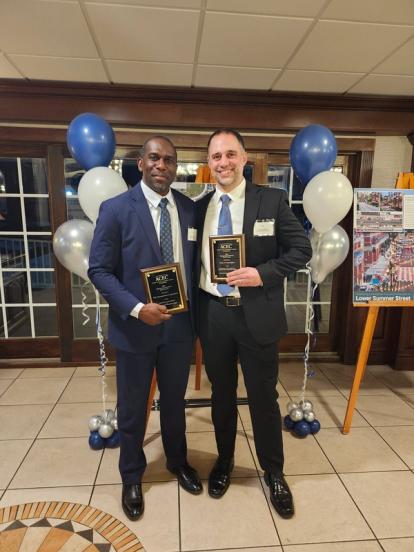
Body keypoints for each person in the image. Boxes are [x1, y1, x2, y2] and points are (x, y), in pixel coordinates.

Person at [196, 129, 312, 519]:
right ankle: (225, 462)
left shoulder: (272, 200)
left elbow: (301, 249)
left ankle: (274, 472)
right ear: (208, 163)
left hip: (257, 315)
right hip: (214, 315)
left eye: (230, 154)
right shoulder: (200, 207)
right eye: (215, 156)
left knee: (263, 398)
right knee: (222, 397)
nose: (223, 162)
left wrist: (263, 273)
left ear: (244, 159)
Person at [88, 136, 202, 521]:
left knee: (174, 403)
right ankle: (132, 475)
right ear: (140, 163)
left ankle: (177, 462)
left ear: (175, 167)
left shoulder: (189, 209)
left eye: (169, 160)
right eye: (154, 158)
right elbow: (99, 270)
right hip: (136, 329)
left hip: (179, 328)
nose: (162, 166)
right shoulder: (116, 209)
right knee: (134, 408)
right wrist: (137, 309)